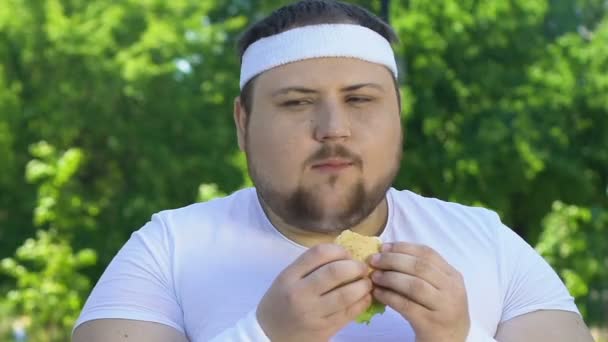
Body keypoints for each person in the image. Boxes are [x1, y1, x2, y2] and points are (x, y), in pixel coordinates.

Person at [72, 1, 595, 341]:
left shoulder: (488, 243)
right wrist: (264, 335)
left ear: (398, 115)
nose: (333, 128)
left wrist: (459, 337)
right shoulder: (166, 249)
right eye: (297, 103)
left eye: (361, 99)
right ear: (242, 122)